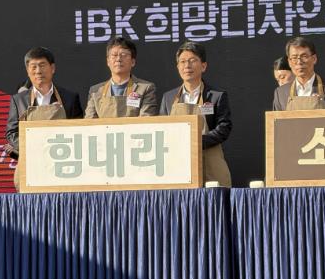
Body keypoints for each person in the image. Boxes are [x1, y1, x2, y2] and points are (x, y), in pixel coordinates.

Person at [5, 47, 83, 188]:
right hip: (30, 165)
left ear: (52, 68)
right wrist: (32, 147)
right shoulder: (18, 100)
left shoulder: (70, 98)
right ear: (28, 71)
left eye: (42, 65)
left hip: (63, 164)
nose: (38, 71)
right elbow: (12, 132)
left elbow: (79, 132)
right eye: (33, 67)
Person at [159, 41, 232, 187]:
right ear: (178, 67)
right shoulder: (168, 98)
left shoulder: (216, 95)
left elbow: (224, 127)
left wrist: (197, 142)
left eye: (192, 60)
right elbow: (162, 130)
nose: (187, 66)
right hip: (178, 162)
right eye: (182, 61)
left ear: (203, 66)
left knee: (214, 199)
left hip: (210, 159)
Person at [84, 36, 157, 118]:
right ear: (108, 62)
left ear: (133, 62)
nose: (118, 59)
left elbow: (146, 120)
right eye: (114, 55)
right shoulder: (95, 91)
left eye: (124, 55)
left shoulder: (145, 88)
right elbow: (90, 122)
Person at [272, 36, 325, 111]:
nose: (299, 62)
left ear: (314, 59)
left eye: (304, 56)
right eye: (294, 58)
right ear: (289, 62)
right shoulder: (281, 93)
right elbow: (276, 118)